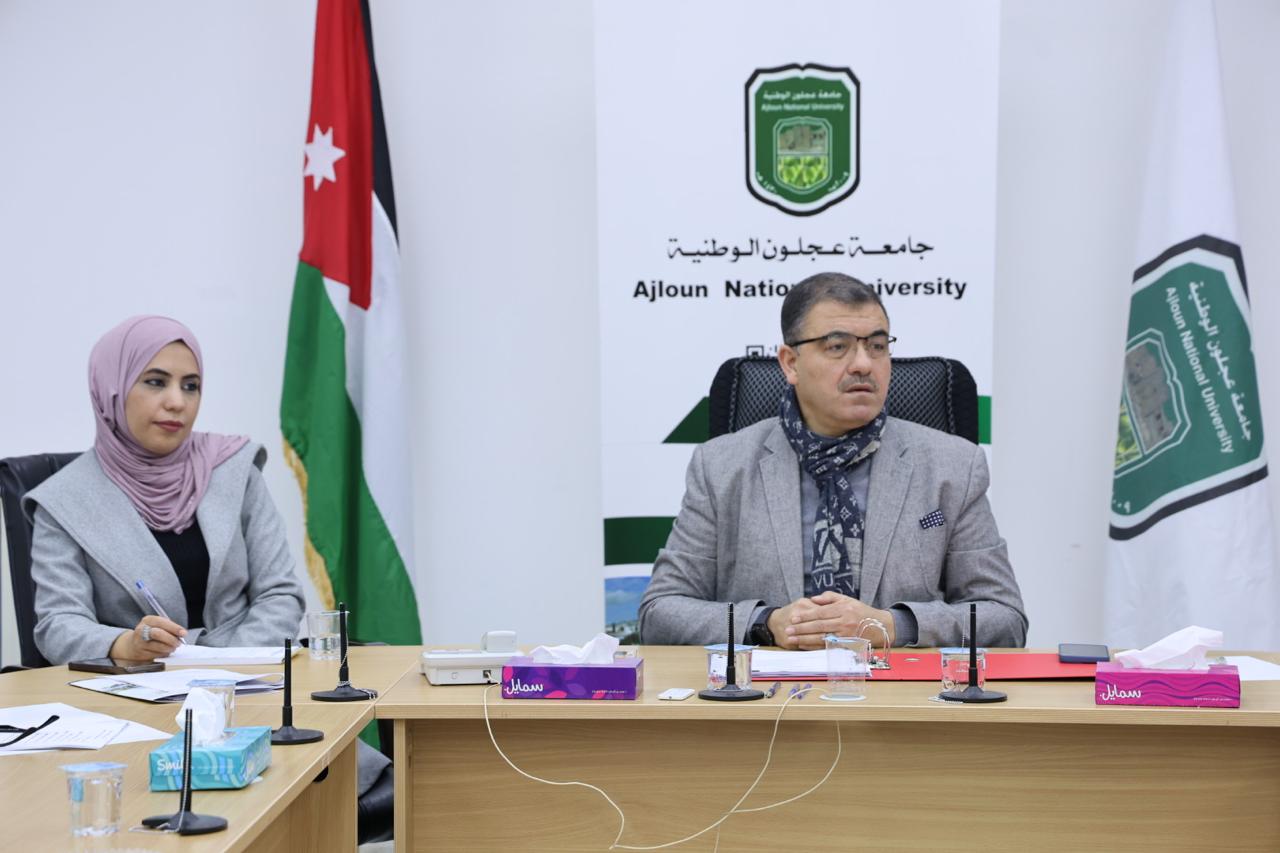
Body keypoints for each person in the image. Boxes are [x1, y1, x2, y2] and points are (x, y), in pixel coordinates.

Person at [639, 273, 1027, 648]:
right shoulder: (721, 466)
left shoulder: (953, 467)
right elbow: (660, 612)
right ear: (790, 363)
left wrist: (892, 626)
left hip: (901, 689)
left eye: (877, 346)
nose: (863, 364)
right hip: (766, 689)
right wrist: (765, 623)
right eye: (838, 346)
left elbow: (1005, 618)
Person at [26, 315, 306, 664]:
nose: (177, 402)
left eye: (191, 386)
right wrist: (124, 645)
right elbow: (59, 624)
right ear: (112, 390)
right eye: (156, 382)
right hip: (138, 682)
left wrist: (230, 666)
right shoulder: (62, 501)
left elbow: (279, 594)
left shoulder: (234, 467)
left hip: (251, 675)